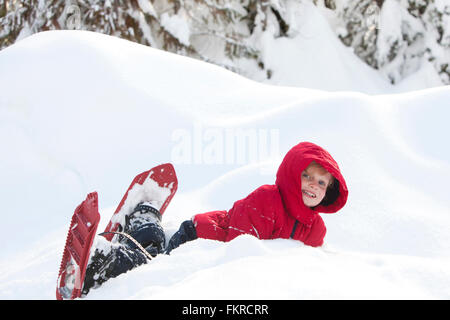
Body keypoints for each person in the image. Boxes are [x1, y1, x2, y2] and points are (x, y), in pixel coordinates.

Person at [82, 141, 348, 296]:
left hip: (213, 252)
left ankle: (146, 219)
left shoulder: (315, 229)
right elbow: (237, 246)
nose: (313, 185)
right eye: (307, 176)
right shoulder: (267, 200)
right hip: (200, 237)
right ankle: (112, 254)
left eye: (321, 183)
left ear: (327, 192)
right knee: (153, 261)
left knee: (156, 251)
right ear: (292, 174)